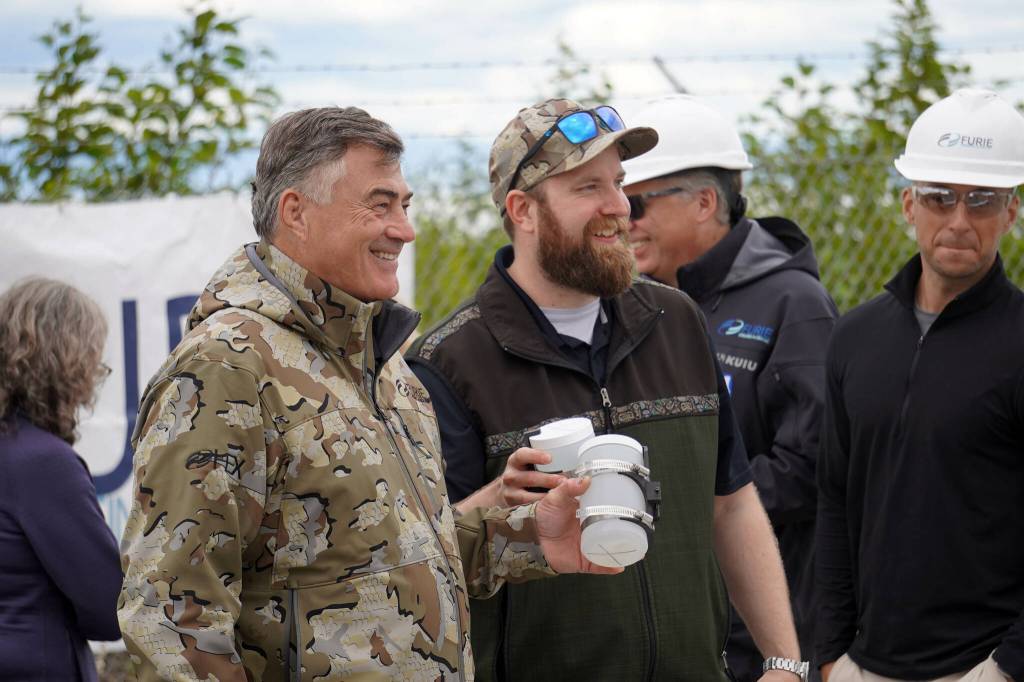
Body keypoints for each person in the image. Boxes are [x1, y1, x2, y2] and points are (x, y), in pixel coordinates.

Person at [117, 106, 618, 682]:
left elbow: (390, 560)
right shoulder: (227, 366)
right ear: (296, 212)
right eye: (380, 205)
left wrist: (530, 535)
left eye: (404, 206)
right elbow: (171, 621)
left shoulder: (383, 366)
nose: (404, 229)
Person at [407, 98, 807, 682]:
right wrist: (500, 497)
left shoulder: (678, 322)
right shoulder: (449, 361)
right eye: (588, 187)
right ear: (523, 209)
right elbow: (427, 561)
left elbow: (733, 503)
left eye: (618, 183)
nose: (619, 206)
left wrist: (783, 662)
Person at [622, 95, 837, 681]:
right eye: (617, 200)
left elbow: (810, 468)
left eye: (637, 202)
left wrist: (677, 506)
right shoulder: (630, 306)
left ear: (705, 202)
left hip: (766, 634)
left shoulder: (794, 303)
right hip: (670, 621)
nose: (624, 219)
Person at [816, 88, 1024, 682]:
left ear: (1010, 212)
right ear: (910, 204)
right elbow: (834, 499)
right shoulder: (855, 337)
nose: (959, 220)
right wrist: (830, 657)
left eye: (982, 200)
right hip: (862, 665)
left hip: (981, 667)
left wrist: (1008, 667)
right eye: (940, 197)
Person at [0, 277, 123, 682]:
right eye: (93, 359)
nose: (95, 375)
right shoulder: (42, 464)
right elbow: (111, 608)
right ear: (68, 361)